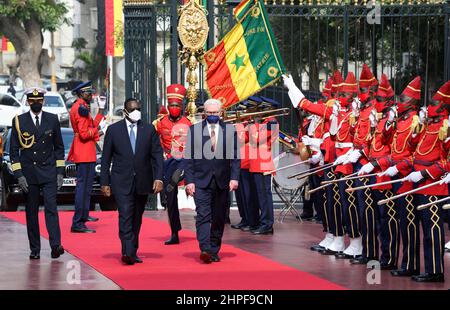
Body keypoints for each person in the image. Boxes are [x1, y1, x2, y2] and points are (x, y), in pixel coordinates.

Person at [100, 98, 164, 265]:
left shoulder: (149, 129)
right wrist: (104, 183)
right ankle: (127, 251)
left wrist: (158, 178)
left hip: (143, 181)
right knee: (125, 215)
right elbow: (106, 159)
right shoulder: (114, 130)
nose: (136, 112)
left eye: (138, 108)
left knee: (137, 217)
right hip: (121, 181)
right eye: (132, 109)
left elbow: (157, 155)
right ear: (125, 112)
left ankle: (132, 250)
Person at [10, 88, 65, 259]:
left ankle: (56, 246)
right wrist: (19, 175)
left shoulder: (52, 119)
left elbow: (59, 147)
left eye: (39, 100)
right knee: (31, 212)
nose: (35, 103)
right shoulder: (19, 121)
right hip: (29, 174)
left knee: (51, 209)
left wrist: (60, 172)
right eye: (32, 100)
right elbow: (13, 151)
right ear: (27, 101)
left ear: (43, 101)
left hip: (48, 172)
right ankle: (35, 249)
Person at [184, 98, 240, 263]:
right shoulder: (194, 130)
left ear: (220, 113)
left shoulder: (229, 130)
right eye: (209, 113)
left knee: (219, 217)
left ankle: (214, 249)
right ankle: (205, 248)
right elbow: (188, 158)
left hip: (222, 181)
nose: (212, 115)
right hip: (201, 180)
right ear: (204, 113)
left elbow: (235, 157)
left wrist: (234, 178)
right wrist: (189, 181)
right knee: (202, 215)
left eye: (215, 113)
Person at [68, 81, 107, 233]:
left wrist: (101, 111)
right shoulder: (80, 109)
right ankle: (77, 222)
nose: (90, 95)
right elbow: (85, 134)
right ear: (80, 94)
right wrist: (100, 132)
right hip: (83, 150)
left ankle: (83, 215)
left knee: (86, 187)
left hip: (86, 151)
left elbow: (92, 125)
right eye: (88, 93)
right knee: (82, 188)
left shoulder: (82, 107)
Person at [155, 84, 191, 245]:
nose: (174, 108)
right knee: (170, 197)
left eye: (177, 105)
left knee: (174, 185)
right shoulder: (160, 122)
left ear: (181, 106)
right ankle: (174, 232)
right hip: (168, 162)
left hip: (184, 162)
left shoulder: (189, 123)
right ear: (168, 106)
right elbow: (155, 142)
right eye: (171, 105)